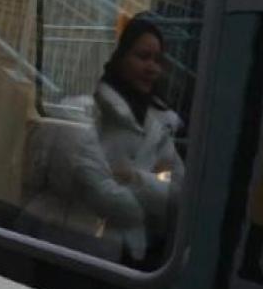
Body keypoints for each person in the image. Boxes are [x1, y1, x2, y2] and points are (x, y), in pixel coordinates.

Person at [21, 16, 185, 266]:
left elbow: (179, 191)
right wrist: (148, 192)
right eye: (143, 57)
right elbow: (102, 197)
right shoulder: (77, 113)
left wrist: (136, 178)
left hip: (122, 257)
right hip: (59, 244)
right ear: (119, 58)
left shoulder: (159, 125)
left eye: (158, 60)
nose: (153, 68)